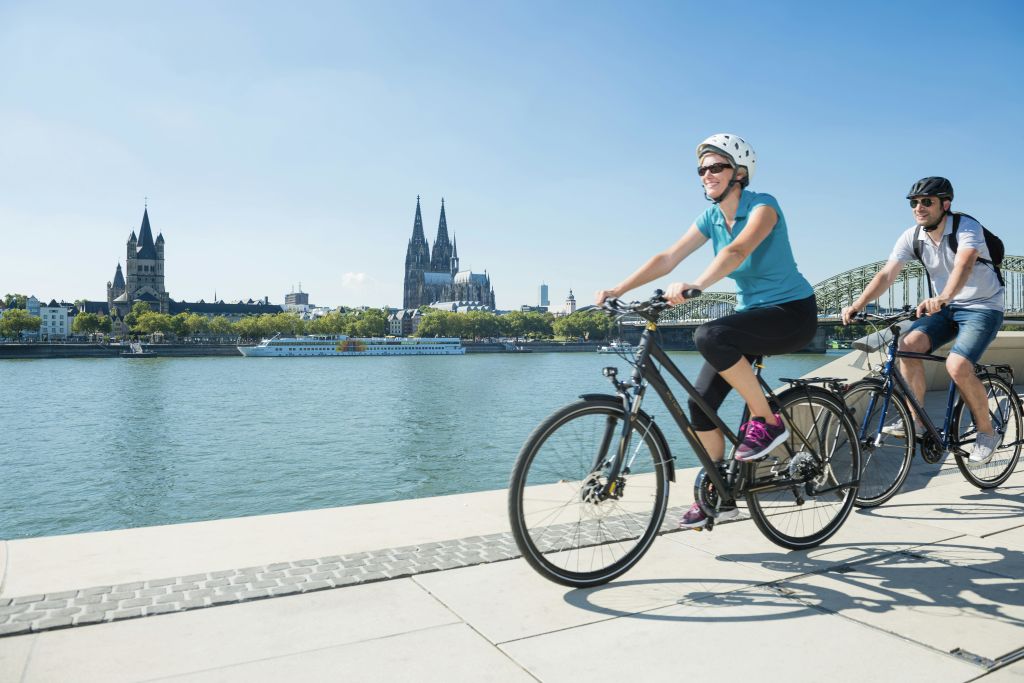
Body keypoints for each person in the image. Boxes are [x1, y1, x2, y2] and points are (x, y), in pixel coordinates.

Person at [595, 134, 817, 529]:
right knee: (700, 405)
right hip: (753, 317)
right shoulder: (711, 218)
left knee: (709, 335)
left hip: (791, 313)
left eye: (716, 167)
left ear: (739, 173)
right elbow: (667, 257)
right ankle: (722, 493)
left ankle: (767, 421)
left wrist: (697, 283)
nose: (707, 174)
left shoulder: (763, 206)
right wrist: (618, 289)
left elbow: (736, 252)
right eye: (702, 169)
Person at [841, 177, 1004, 463]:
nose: (919, 207)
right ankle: (916, 422)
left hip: (982, 307)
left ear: (945, 204)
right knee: (908, 345)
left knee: (957, 365)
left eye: (927, 202)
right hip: (945, 309)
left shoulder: (966, 227)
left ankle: (987, 433)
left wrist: (944, 296)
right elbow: (887, 274)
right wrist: (857, 304)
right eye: (914, 203)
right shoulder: (912, 236)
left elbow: (965, 263)